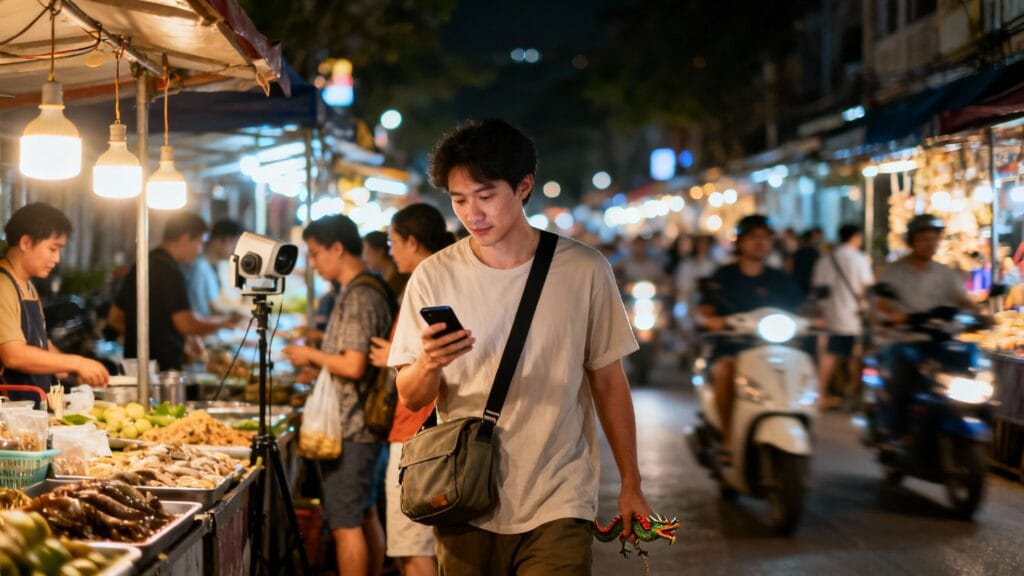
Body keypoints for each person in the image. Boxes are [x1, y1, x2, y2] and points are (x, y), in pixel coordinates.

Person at [388, 119, 651, 575]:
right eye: (459, 199)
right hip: (464, 493)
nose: (473, 213)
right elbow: (410, 396)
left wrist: (631, 482)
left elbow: (609, 382)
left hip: (559, 497)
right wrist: (429, 362)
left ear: (523, 186)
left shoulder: (584, 271)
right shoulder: (434, 276)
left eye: (486, 195)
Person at [283, 214, 393, 576]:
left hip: (352, 428)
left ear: (337, 248)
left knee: (346, 526)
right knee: (364, 514)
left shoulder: (360, 295)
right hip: (362, 426)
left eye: (315, 254)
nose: (312, 263)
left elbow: (354, 365)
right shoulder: (363, 288)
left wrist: (310, 355)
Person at [367, 204, 453, 576]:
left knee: (413, 549)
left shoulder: (426, 284)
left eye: (393, 242)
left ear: (412, 242)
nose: (391, 251)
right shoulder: (446, 278)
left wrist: (396, 356)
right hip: (429, 432)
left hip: (417, 434)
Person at [699, 215, 802, 464]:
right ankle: (727, 438)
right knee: (725, 371)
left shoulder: (778, 278)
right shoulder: (724, 275)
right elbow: (706, 309)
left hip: (773, 348)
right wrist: (712, 319)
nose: (761, 243)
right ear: (741, 242)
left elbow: (799, 308)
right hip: (733, 348)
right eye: (754, 237)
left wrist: (815, 319)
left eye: (766, 238)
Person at [875, 214, 975, 437]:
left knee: (967, 367)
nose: (931, 244)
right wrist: (893, 315)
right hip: (903, 338)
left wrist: (980, 313)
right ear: (912, 241)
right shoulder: (894, 271)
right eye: (925, 239)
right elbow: (882, 302)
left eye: (934, 239)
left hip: (938, 339)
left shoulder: (945, 273)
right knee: (901, 375)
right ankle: (896, 433)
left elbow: (962, 299)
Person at [0, 203, 109, 397]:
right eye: (53, 248)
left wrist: (74, 373)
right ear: (26, 243)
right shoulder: (3, 285)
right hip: (8, 416)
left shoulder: (27, 286)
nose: (57, 258)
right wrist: (77, 362)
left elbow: (41, 346)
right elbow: (13, 355)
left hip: (31, 411)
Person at [108, 213, 235, 371]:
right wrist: (225, 322)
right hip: (162, 369)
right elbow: (185, 323)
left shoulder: (144, 262)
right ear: (185, 238)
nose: (200, 250)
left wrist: (145, 340)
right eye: (200, 243)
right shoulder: (169, 270)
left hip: (136, 366)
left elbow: (115, 318)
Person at [811, 224, 874, 408]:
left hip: (830, 315)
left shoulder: (826, 259)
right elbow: (865, 288)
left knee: (829, 355)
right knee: (855, 357)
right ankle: (855, 397)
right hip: (852, 316)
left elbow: (818, 288)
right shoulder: (859, 259)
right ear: (855, 237)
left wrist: (823, 311)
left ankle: (821, 394)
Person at [183, 219, 244, 317]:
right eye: (234, 243)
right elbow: (206, 309)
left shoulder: (216, 266)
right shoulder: (200, 267)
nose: (236, 249)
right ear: (218, 241)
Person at [364, 230, 408, 297]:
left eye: (367, 251)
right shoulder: (384, 278)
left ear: (380, 251)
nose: (364, 257)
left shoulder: (398, 280)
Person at [791, 227, 823, 298]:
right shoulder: (816, 254)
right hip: (809, 285)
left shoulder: (797, 253)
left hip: (797, 283)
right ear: (811, 239)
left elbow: (790, 268)